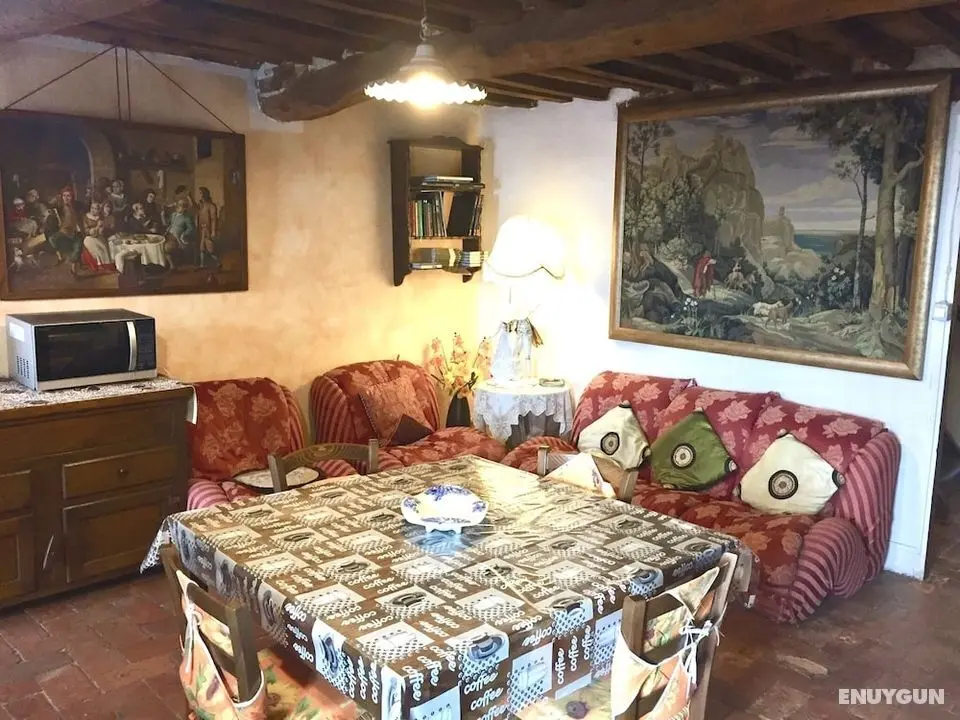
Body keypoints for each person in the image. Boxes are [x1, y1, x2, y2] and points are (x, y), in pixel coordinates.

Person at [47, 186, 83, 272]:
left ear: (72, 197)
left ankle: (73, 269)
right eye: (64, 196)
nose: (66, 198)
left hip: (75, 232)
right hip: (63, 231)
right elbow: (51, 206)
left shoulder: (76, 207)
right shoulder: (60, 207)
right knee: (52, 239)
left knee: (77, 247)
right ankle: (60, 257)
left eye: (68, 196)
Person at [195, 187, 221, 268]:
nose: (200, 195)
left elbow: (213, 219)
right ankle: (202, 265)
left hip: (208, 230)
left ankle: (218, 262)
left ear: (205, 194)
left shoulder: (211, 206)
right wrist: (190, 197)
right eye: (199, 193)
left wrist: (213, 231)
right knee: (202, 247)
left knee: (210, 248)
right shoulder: (200, 206)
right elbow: (194, 207)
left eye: (201, 193)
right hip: (201, 230)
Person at [82, 201, 111, 268]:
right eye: (92, 208)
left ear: (98, 210)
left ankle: (107, 265)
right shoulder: (86, 217)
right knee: (97, 249)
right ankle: (100, 265)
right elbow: (87, 231)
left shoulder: (100, 218)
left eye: (95, 209)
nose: (93, 210)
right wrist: (96, 227)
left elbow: (101, 231)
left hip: (98, 237)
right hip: (89, 238)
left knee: (104, 247)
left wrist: (100, 229)